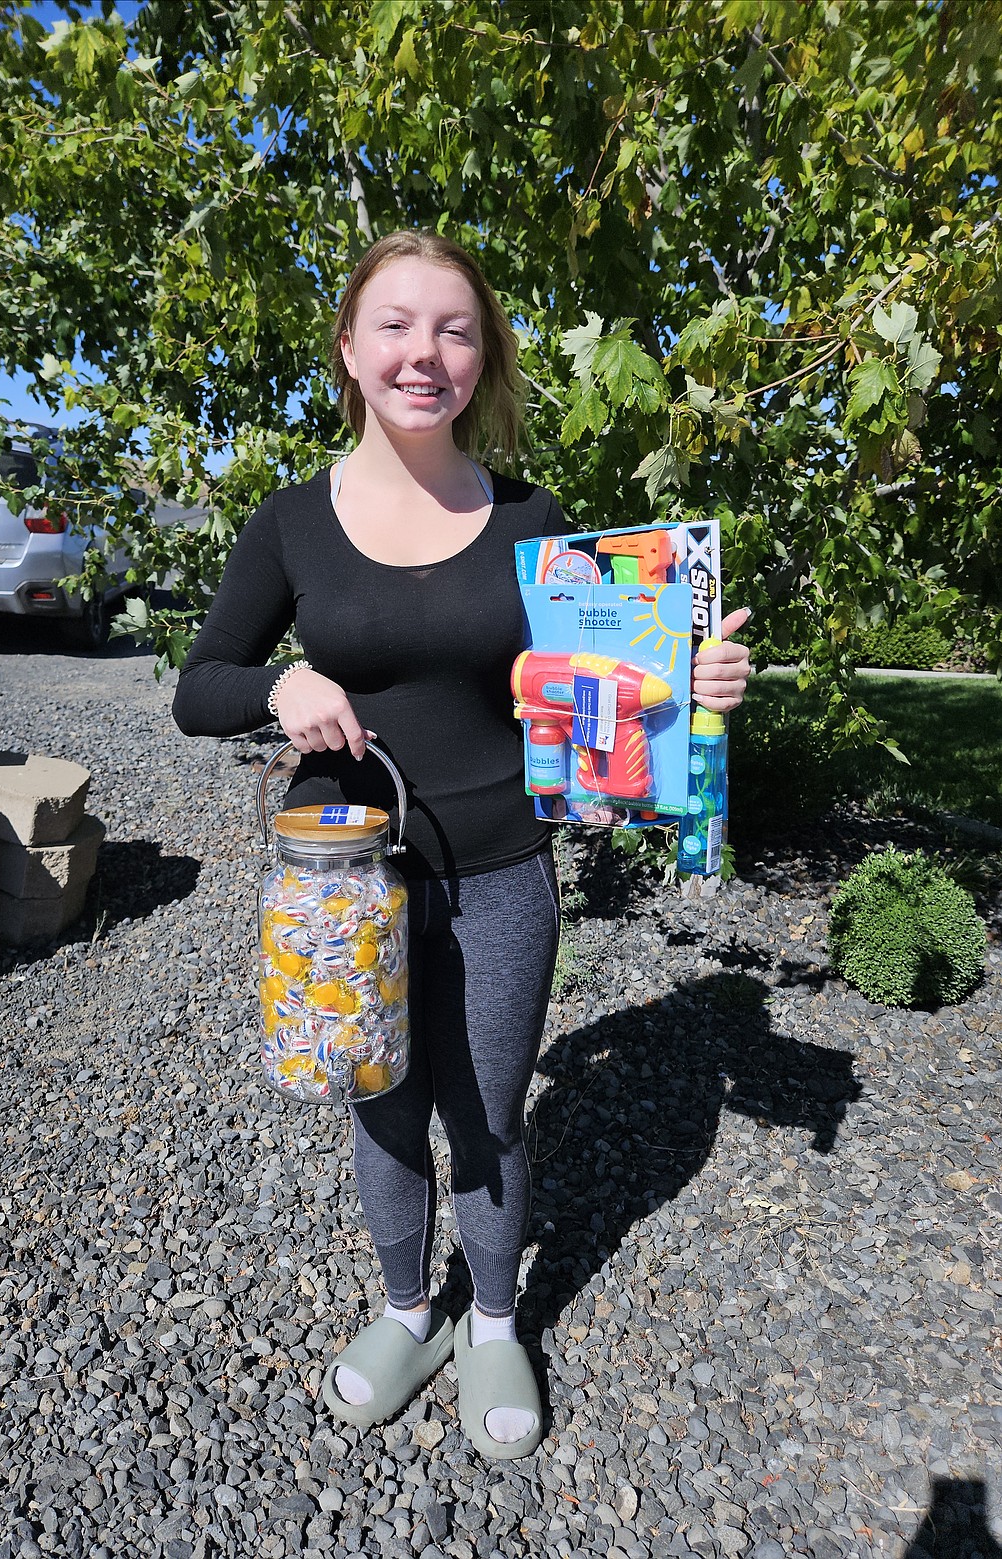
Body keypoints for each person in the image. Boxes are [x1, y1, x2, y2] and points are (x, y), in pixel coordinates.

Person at [172, 230, 752, 1460]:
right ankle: (404, 1309)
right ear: (348, 346)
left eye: (454, 328)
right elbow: (199, 684)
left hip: (500, 871)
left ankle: (493, 1318)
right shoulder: (290, 522)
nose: (423, 352)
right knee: (379, 1099)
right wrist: (281, 687)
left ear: (482, 358)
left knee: (486, 1109)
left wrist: (688, 681)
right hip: (348, 880)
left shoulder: (535, 521)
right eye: (395, 323)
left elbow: (608, 679)